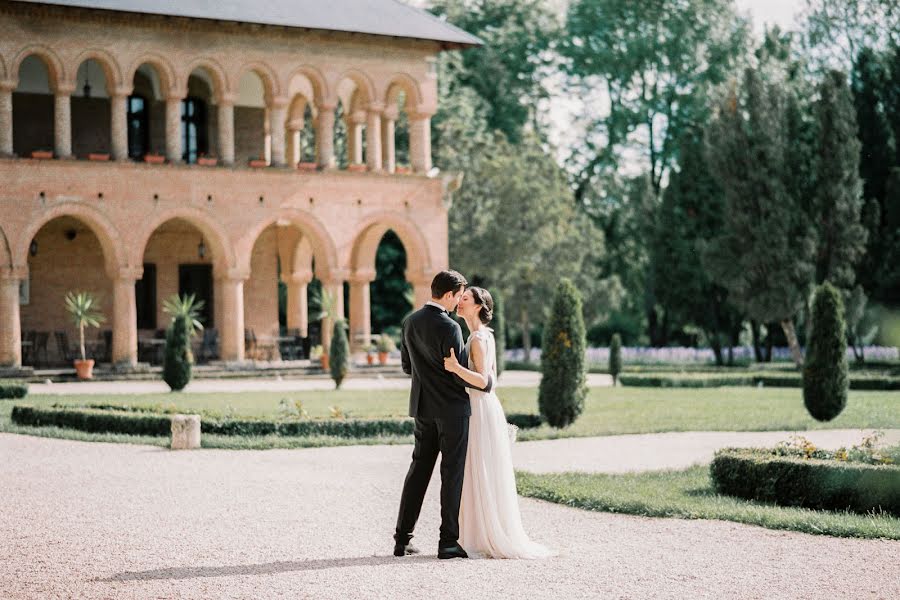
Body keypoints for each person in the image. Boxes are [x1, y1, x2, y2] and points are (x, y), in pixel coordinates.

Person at [443, 286, 554, 559]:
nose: (460, 302)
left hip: (481, 407)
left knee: (479, 467)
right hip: (483, 408)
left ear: (479, 306)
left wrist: (456, 368)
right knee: (480, 468)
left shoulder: (479, 339)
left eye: (465, 299)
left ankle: (484, 535)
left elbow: (485, 382)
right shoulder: (480, 336)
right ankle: (480, 532)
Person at [393, 270, 494, 560]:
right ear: (449, 295)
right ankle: (448, 542)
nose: (458, 302)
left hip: (423, 409)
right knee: (451, 474)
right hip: (451, 410)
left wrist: (428, 377)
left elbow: (407, 368)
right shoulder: (450, 327)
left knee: (418, 471)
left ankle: (402, 539)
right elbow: (460, 375)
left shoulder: (409, 322)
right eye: (458, 296)